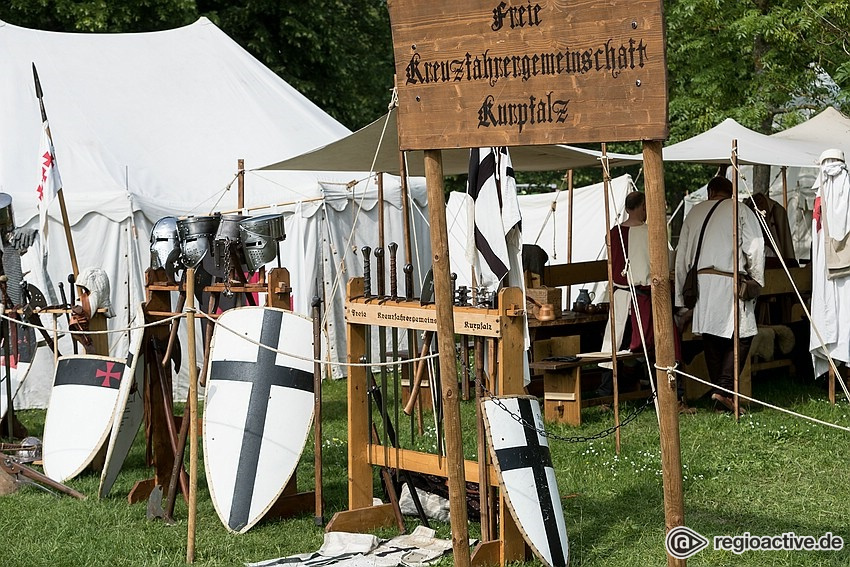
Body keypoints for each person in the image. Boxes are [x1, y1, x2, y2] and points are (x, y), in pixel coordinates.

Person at [597, 191, 694, 414]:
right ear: (642, 208)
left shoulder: (613, 233)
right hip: (645, 299)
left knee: (614, 345)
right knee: (665, 344)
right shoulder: (651, 232)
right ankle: (674, 397)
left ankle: (605, 397)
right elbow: (667, 260)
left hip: (624, 298)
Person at [675, 176, 765, 414]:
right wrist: (756, 278)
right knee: (743, 334)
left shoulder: (694, 212)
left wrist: (681, 297)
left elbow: (682, 254)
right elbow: (755, 246)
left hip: (703, 283)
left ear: (710, 191)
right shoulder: (740, 209)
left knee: (712, 336)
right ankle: (724, 390)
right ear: (730, 192)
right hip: (729, 280)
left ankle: (721, 395)